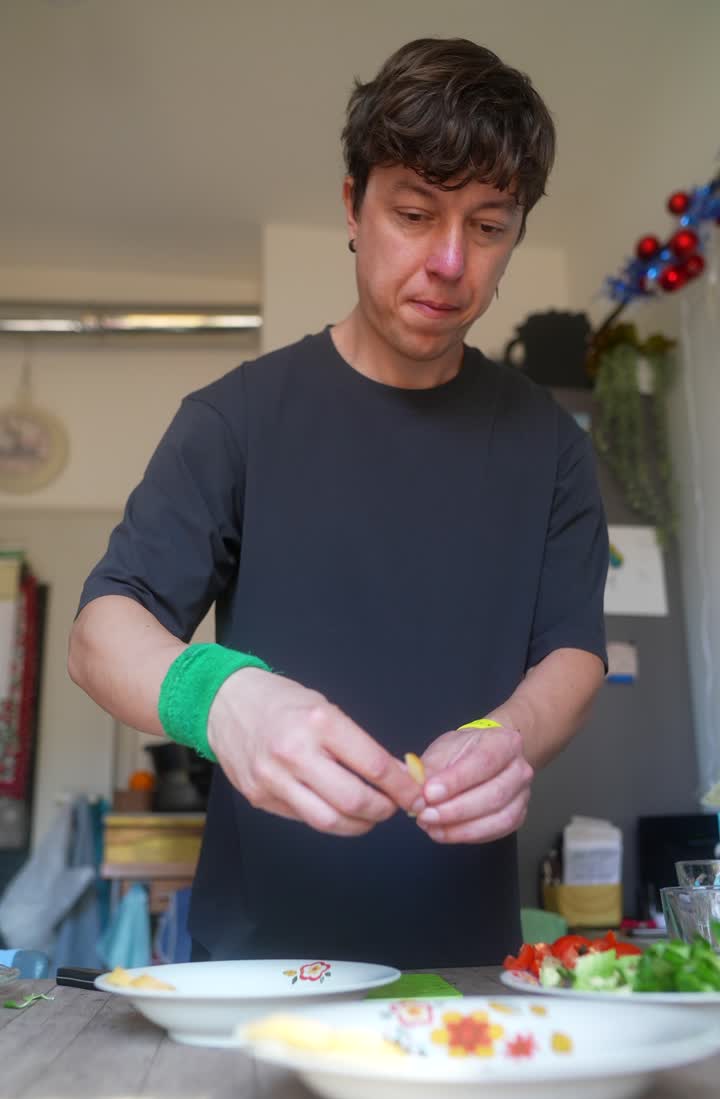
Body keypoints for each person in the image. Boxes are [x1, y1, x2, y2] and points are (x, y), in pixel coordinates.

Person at [69, 37, 608, 969]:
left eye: (488, 226)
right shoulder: (236, 418)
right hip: (256, 960)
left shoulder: (550, 444)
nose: (449, 261)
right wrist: (223, 699)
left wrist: (504, 735)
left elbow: (572, 652)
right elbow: (100, 633)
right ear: (352, 207)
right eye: (414, 213)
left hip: (469, 959)